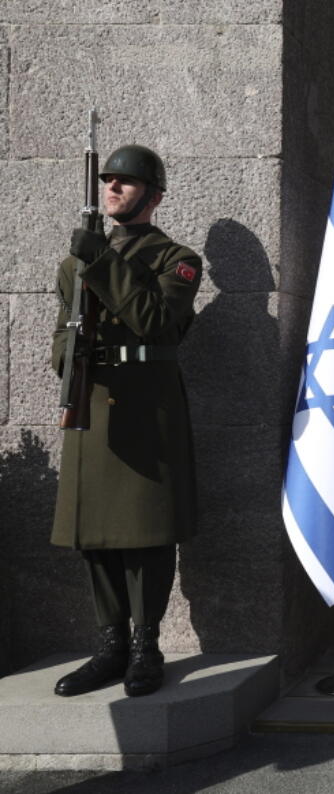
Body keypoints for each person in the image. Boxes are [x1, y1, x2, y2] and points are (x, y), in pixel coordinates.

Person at [50, 144, 202, 698]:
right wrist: (69, 364)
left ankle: (146, 647)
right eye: (108, 180)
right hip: (91, 403)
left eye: (126, 182)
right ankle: (110, 646)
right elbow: (63, 333)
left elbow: (156, 322)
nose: (112, 188)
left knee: (146, 535)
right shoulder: (75, 263)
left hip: (144, 406)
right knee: (96, 535)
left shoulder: (176, 258)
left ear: (154, 196)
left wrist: (103, 262)